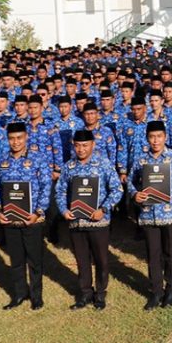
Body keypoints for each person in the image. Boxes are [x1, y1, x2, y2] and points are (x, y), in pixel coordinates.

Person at [56, 128, 122, 309]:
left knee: (101, 260)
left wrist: (104, 209)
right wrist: (64, 210)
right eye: (77, 146)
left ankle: (100, 293)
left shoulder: (104, 164)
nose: (81, 149)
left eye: (85, 145)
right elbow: (60, 191)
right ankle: (85, 293)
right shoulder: (68, 167)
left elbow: (117, 190)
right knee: (82, 260)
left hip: (98, 221)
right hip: (76, 222)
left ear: (93, 144)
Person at [130, 121, 172, 309]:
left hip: (170, 214)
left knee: (170, 254)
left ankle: (171, 290)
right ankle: (156, 291)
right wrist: (135, 194)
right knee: (153, 254)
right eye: (152, 137)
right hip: (149, 215)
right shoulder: (141, 160)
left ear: (165, 137)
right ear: (147, 138)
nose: (155, 141)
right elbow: (131, 182)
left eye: (159, 136)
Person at [0, 121, 51, 309]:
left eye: (19, 138)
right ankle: (19, 294)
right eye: (11, 138)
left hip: (32, 219)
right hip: (10, 219)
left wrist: (38, 211)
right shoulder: (1, 161)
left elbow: (46, 187)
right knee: (16, 260)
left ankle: (36, 296)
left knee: (34, 260)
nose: (16, 142)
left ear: (26, 137)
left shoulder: (38, 159)